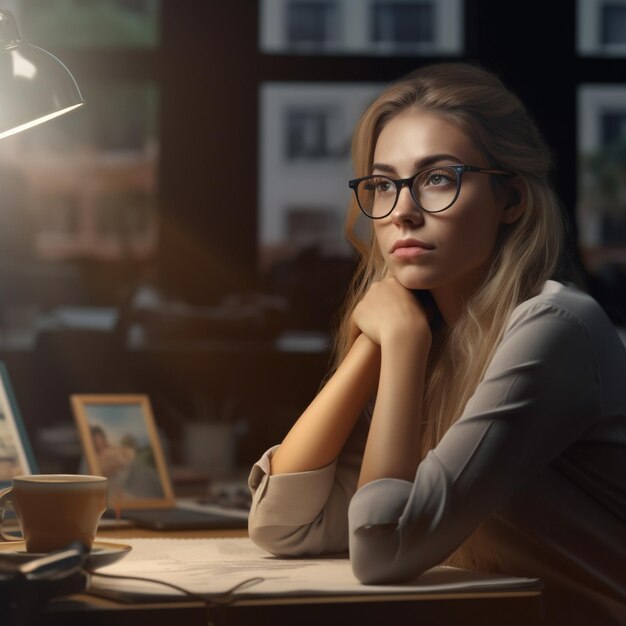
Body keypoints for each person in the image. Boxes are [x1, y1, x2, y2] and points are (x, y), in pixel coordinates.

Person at [246, 62, 626, 625]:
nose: (403, 211)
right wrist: (372, 348)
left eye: (438, 178)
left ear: (512, 200)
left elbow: (381, 550)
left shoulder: (555, 326)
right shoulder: (437, 341)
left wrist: (398, 340)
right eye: (382, 184)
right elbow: (281, 526)